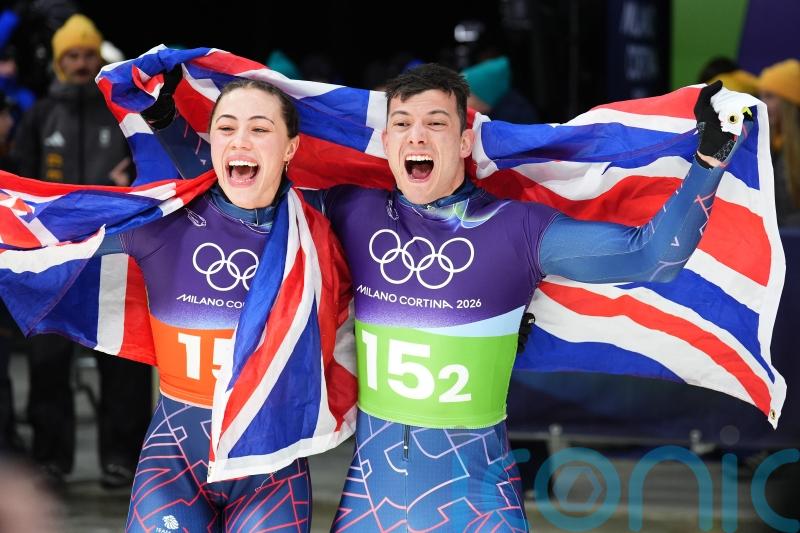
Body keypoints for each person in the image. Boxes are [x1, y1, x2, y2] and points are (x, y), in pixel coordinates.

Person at [144, 59, 747, 530]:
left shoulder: (518, 231)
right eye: (400, 124)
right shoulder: (352, 213)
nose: (416, 135)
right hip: (368, 510)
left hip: (476, 508)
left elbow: (652, 257)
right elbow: (244, 185)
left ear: (464, 141)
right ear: (386, 144)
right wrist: (169, 122)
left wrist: (708, 160)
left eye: (435, 123)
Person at [90, 78, 351, 531]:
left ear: (291, 147)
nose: (241, 140)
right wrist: (163, 119)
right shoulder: (163, 222)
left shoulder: (320, 235)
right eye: (226, 128)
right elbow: (54, 241)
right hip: (172, 465)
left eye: (260, 129)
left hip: (271, 468)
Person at [9, 13, 150, 490]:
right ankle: (51, 460)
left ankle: (122, 459)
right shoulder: (39, 115)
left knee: (123, 361)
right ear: (58, 60)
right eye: (72, 55)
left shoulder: (123, 116)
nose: (81, 62)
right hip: (53, 264)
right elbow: (21, 186)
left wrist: (131, 182)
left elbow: (153, 172)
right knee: (48, 362)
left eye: (88, 55)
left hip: (115, 257)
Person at [757, 58, 800, 226]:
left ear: (788, 102)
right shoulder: (764, 145)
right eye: (760, 96)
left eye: (770, 96)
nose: (762, 104)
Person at [462, 55, 539, 123]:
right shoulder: (494, 113)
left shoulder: (513, 119)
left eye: (466, 96)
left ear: (485, 96)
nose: (459, 102)